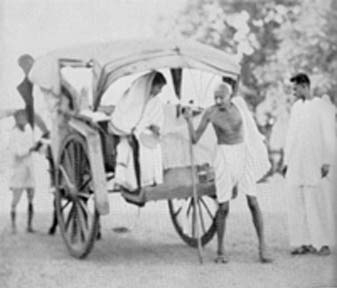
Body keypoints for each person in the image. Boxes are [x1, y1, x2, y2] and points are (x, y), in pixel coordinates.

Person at [183, 81, 272, 263]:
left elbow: (251, 129)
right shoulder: (210, 112)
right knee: (223, 207)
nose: (218, 101)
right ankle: (221, 251)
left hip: (243, 153)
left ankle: (263, 246)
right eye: (215, 97)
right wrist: (188, 120)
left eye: (221, 97)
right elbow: (194, 139)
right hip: (224, 155)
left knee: (253, 201)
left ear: (230, 96)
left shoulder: (239, 106)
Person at [283, 73, 335, 256]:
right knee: (296, 200)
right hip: (297, 160)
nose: (293, 92)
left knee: (316, 201)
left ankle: (322, 243)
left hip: (314, 159)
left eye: (295, 88)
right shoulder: (296, 107)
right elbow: (291, 135)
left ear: (304, 86)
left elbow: (329, 134)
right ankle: (301, 242)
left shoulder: (321, 106)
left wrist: (327, 160)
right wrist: (286, 161)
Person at [111, 71, 167, 192]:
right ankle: (130, 181)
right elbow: (127, 117)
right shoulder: (133, 97)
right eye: (159, 87)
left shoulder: (156, 101)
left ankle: (151, 179)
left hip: (147, 132)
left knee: (155, 147)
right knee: (128, 148)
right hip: (130, 132)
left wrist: (155, 128)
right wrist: (132, 131)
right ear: (151, 85)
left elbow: (157, 120)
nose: (160, 91)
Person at [9, 109, 39, 233]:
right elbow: (17, 153)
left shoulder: (28, 131)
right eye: (21, 117)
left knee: (31, 197)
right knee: (15, 200)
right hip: (19, 170)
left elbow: (32, 145)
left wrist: (37, 146)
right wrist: (30, 149)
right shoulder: (13, 134)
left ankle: (30, 225)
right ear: (16, 119)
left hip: (29, 169)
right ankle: (13, 225)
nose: (24, 119)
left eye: (25, 117)